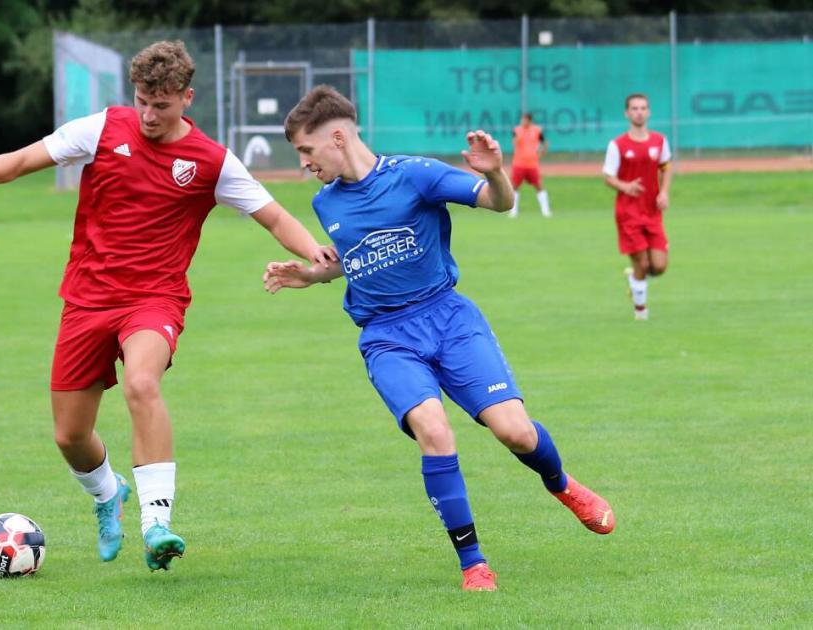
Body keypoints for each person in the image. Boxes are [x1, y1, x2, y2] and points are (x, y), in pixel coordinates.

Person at [0, 41, 335, 572]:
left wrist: (315, 253)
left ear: (187, 98)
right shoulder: (103, 128)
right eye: (143, 101)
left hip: (155, 299)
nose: (150, 115)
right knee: (70, 435)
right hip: (86, 296)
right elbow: (25, 159)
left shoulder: (210, 161)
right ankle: (109, 494)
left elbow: (272, 216)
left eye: (163, 105)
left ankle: (157, 524)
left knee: (142, 383)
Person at [263, 86, 615, 592]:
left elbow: (499, 202)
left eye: (306, 150)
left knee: (515, 432)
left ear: (337, 137)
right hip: (385, 336)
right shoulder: (326, 202)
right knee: (434, 429)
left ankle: (562, 485)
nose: (302, 163)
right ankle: (473, 563)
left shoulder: (416, 175)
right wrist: (313, 275)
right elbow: (361, 258)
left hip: (448, 319)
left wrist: (495, 170)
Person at [603, 93, 672, 320]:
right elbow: (608, 176)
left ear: (649, 112)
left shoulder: (659, 141)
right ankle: (641, 312)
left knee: (659, 266)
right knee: (642, 262)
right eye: (634, 108)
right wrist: (625, 186)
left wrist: (664, 192)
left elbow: (666, 167)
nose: (639, 112)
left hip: (653, 212)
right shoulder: (618, 145)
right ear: (627, 113)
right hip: (628, 212)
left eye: (643, 108)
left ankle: (634, 278)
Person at [508, 112, 552, 218]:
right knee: (514, 187)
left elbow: (545, 142)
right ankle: (513, 211)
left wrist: (542, 153)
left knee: (539, 186)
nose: (522, 121)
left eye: (525, 120)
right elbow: (514, 143)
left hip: (532, 164)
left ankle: (546, 211)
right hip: (519, 163)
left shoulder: (537, 130)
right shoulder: (517, 130)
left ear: (530, 120)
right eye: (522, 119)